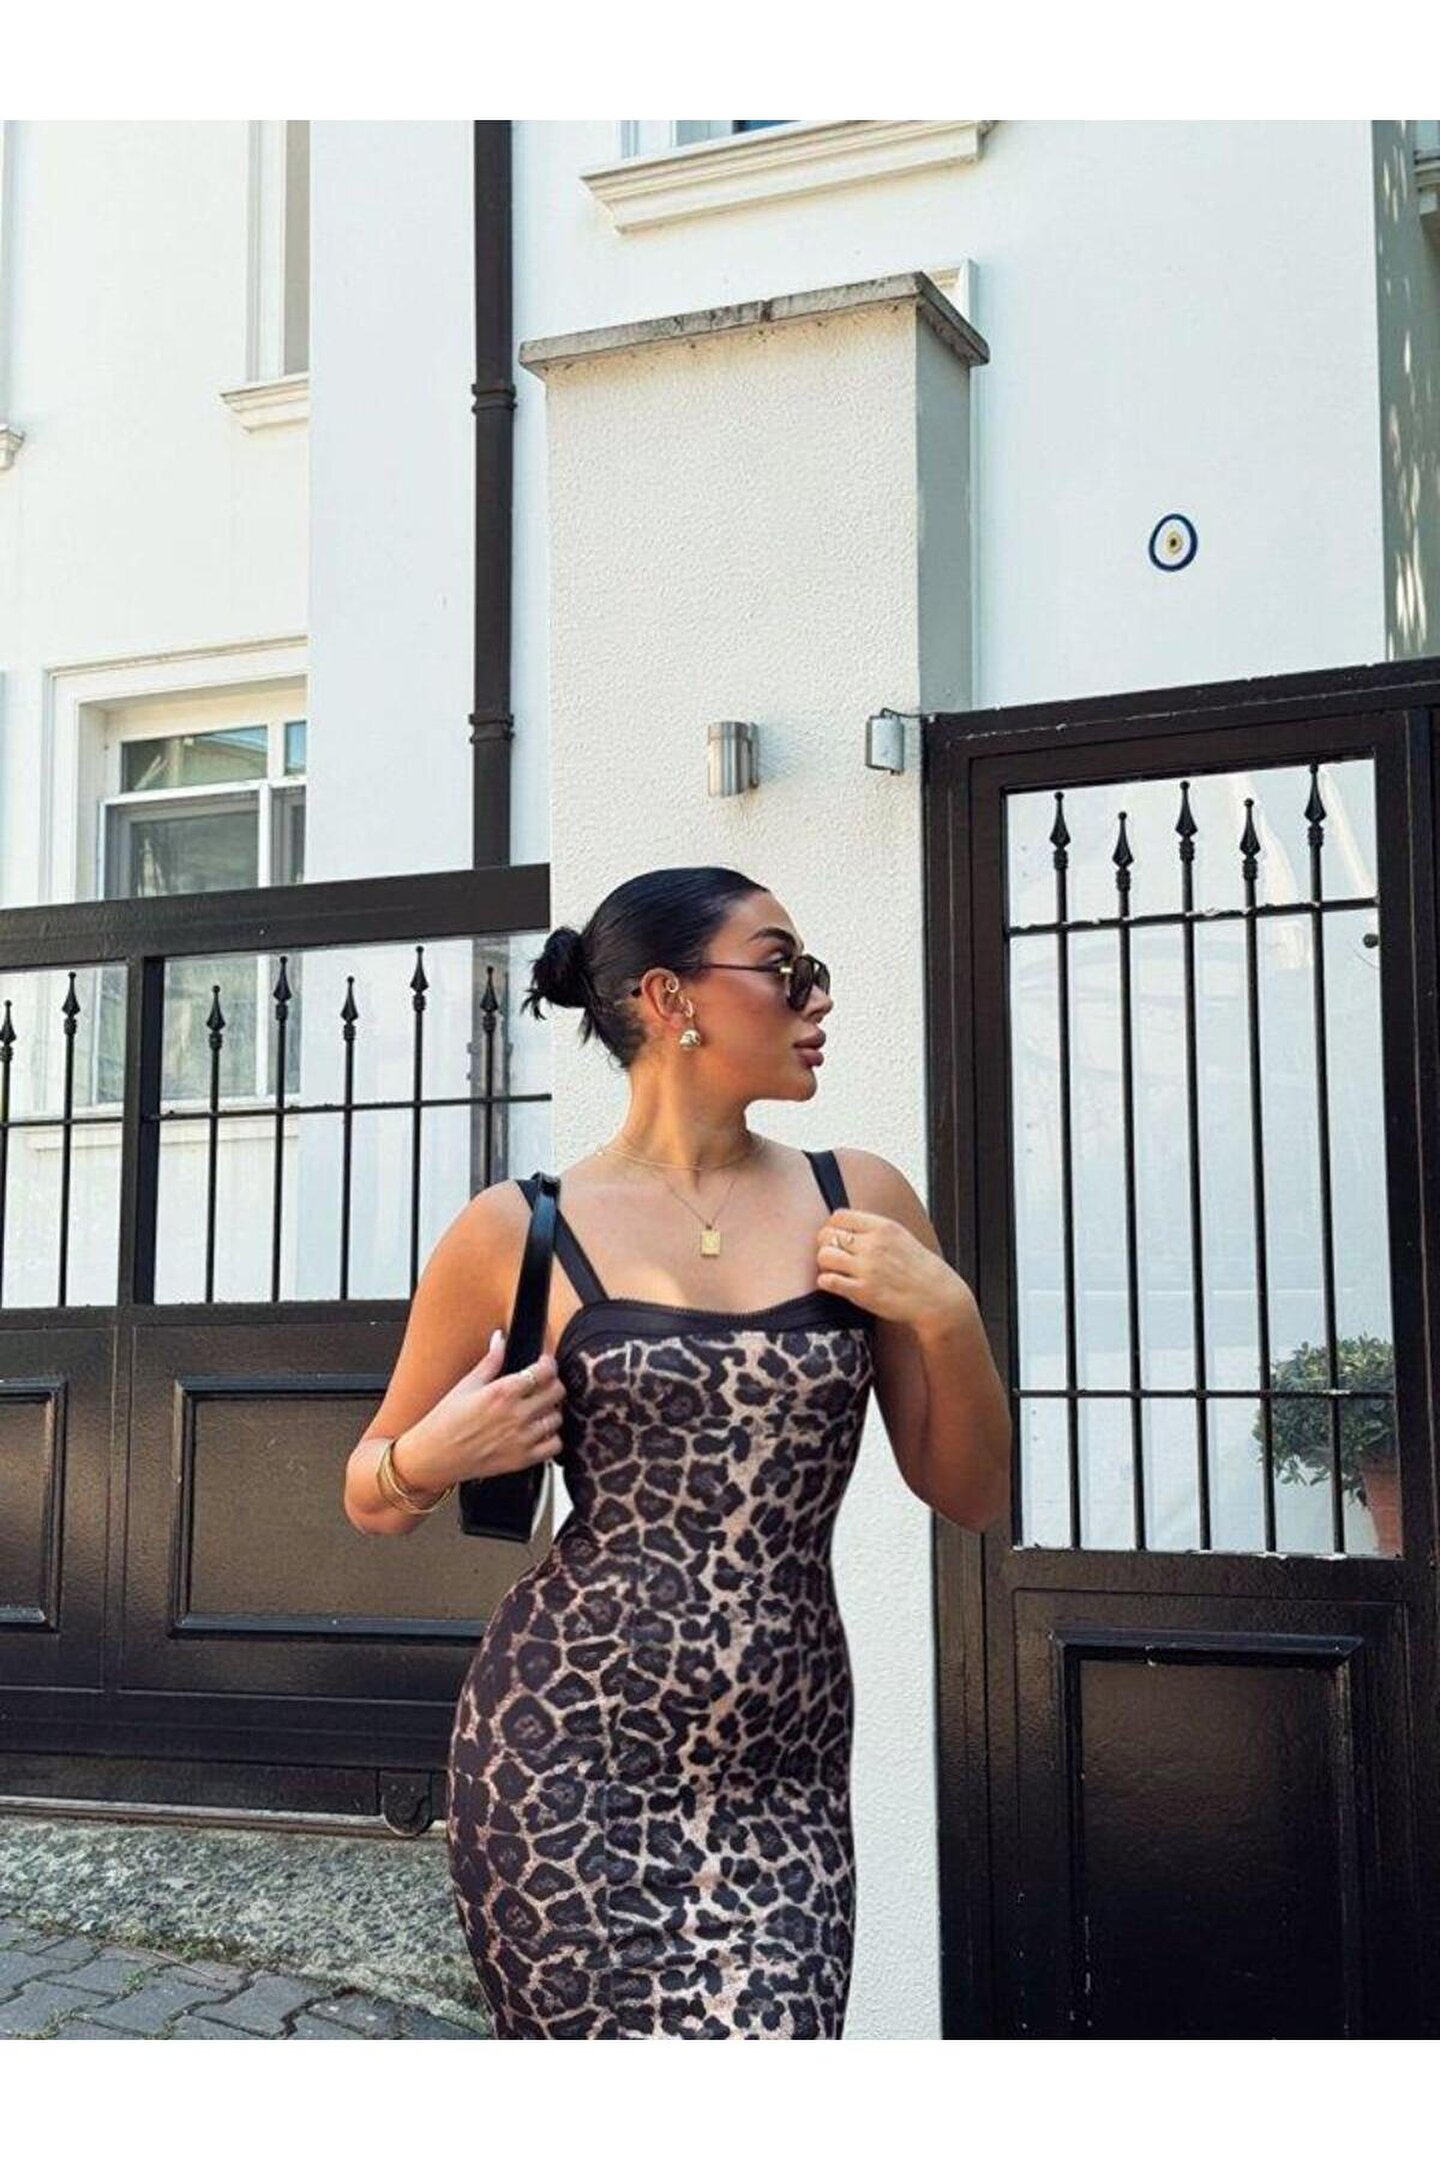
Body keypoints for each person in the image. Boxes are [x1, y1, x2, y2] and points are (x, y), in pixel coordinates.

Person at [342, 866, 1010, 2038]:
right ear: (670, 998)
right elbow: (372, 1494)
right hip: (564, 1763)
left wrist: (947, 1314)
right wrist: (435, 1452)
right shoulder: (519, 1229)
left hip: (784, 1773)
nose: (817, 997)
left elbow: (972, 1493)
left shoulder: (860, 1199)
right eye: (785, 968)